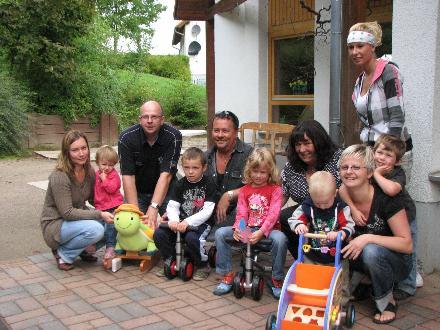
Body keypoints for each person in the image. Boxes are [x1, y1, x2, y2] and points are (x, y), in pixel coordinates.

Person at [339, 144, 412, 324]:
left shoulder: (387, 199)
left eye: (356, 167)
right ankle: (360, 283)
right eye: (344, 167)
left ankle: (388, 301)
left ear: (370, 173)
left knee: (371, 250)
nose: (349, 172)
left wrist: (367, 237)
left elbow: (407, 244)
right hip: (361, 258)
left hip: (396, 262)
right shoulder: (341, 196)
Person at [213, 148, 287, 299]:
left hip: (268, 230)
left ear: (270, 172)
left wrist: (261, 232)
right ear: (249, 170)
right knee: (220, 233)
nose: (258, 176)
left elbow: (273, 215)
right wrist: (239, 229)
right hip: (248, 228)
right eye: (255, 171)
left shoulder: (275, 190)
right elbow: (242, 213)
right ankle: (227, 274)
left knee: (281, 239)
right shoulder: (245, 190)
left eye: (263, 172)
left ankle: (277, 278)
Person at [347, 21, 413, 181]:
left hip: (391, 152)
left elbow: (397, 118)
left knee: (391, 201)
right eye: (351, 47)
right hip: (371, 151)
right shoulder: (360, 80)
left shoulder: (388, 72)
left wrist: (388, 154)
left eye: (360, 46)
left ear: (372, 46)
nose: (355, 52)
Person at [40, 130, 113, 271]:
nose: (81, 153)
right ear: (67, 152)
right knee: (96, 229)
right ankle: (64, 254)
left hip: (74, 221)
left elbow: (95, 199)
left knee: (113, 224)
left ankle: (83, 250)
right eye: (75, 150)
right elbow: (67, 213)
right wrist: (99, 214)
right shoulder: (60, 176)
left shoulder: (89, 171)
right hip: (55, 224)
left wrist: (115, 206)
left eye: (84, 148)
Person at [280, 120, 342, 258]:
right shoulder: (291, 166)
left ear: (319, 142)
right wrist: (268, 215)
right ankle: (303, 258)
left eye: (307, 143)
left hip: (334, 213)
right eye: (298, 145)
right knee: (283, 217)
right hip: (308, 211)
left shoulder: (337, 160)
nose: (302, 150)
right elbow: (283, 194)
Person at [153, 147, 216, 281]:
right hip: (181, 221)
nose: (190, 171)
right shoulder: (180, 184)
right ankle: (170, 259)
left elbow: (207, 210)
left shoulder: (209, 183)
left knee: (192, 238)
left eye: (195, 168)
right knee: (159, 234)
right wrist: (174, 220)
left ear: (204, 168)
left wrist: (188, 222)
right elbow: (173, 205)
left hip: (201, 223)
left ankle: (202, 264)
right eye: (186, 168)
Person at [118, 100, 182, 229]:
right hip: (138, 191)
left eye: (154, 117)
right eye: (145, 117)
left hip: (167, 189)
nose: (149, 121)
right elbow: (127, 176)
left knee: (174, 226)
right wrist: (135, 213)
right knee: (129, 227)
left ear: (162, 119)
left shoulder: (174, 136)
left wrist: (153, 207)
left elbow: (166, 175)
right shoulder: (126, 138)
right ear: (140, 119)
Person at [289, 171, 355, 264]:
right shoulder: (308, 206)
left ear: (335, 193)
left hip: (336, 254)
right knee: (309, 272)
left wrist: (340, 234)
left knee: (338, 276)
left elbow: (349, 226)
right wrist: (299, 225)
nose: (322, 207)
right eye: (318, 203)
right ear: (310, 195)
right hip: (313, 252)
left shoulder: (341, 209)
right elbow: (294, 219)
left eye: (326, 203)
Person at [205, 110, 253, 226]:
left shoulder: (250, 155)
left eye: (225, 131)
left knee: (217, 236)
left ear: (236, 132)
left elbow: (262, 187)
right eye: (216, 130)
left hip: (241, 215)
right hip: (208, 214)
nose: (220, 135)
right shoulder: (205, 157)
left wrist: (230, 195)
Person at [94, 145, 124, 264]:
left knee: (111, 228)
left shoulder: (114, 175)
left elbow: (112, 189)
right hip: (100, 207)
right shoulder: (97, 174)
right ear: (97, 163)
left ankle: (110, 247)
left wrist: (105, 179)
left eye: (111, 165)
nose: (107, 167)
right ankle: (93, 248)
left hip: (113, 206)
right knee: (99, 228)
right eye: (104, 164)